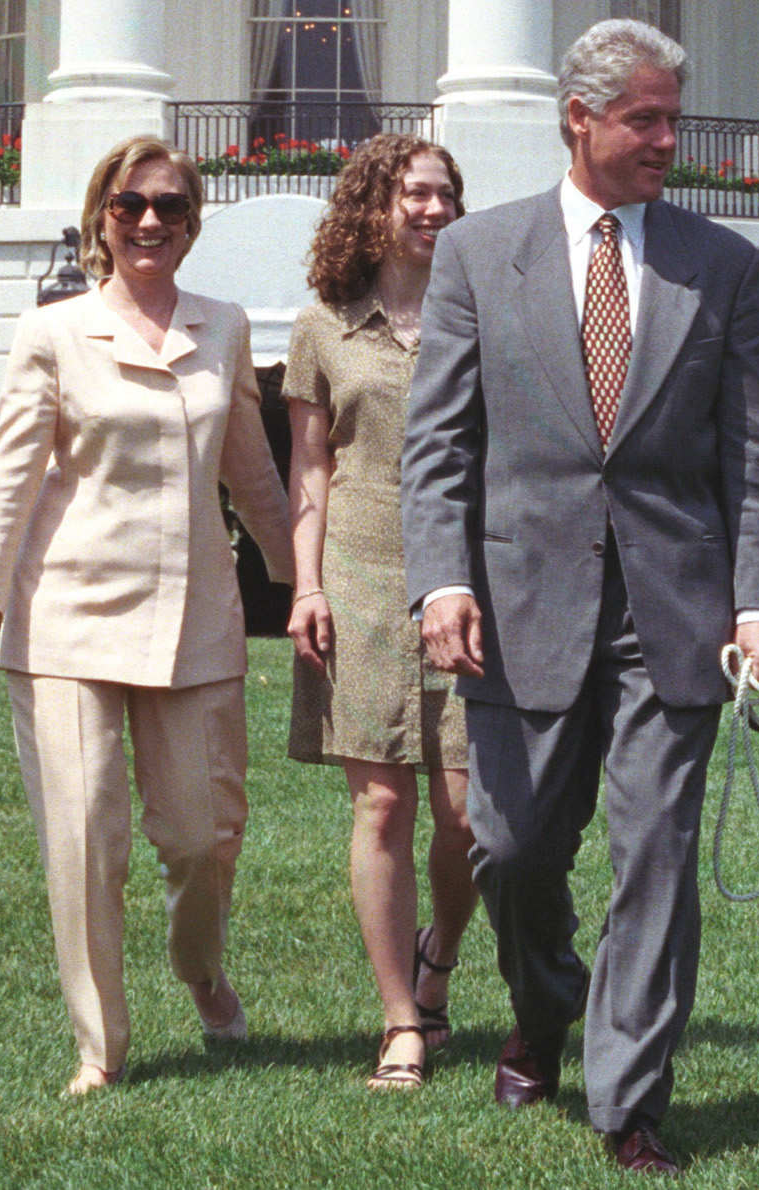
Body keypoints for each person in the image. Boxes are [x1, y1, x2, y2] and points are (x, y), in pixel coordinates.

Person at [400, 19, 759, 1174]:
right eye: (644, 119)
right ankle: (544, 1001)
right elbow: (438, 444)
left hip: (671, 613)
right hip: (517, 605)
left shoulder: (723, 264)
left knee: (656, 860)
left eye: (674, 118)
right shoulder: (478, 253)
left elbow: (753, 457)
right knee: (513, 849)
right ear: (577, 118)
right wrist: (441, 579)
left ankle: (626, 1102)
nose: (668, 140)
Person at [0, 135, 294, 1097]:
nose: (150, 222)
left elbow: (255, 477)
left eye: (172, 208)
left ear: (192, 225)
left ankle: (203, 973)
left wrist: (304, 586)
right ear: (103, 216)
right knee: (84, 838)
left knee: (203, 834)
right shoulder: (52, 331)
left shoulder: (223, 329)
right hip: (65, 615)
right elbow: (11, 480)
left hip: (196, 621)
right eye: (132, 204)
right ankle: (99, 1048)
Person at [284, 133, 479, 1093]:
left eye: (446, 193)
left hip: (463, 582)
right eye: (414, 192)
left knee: (468, 812)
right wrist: (306, 585)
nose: (434, 208)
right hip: (357, 579)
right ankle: (401, 1017)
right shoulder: (322, 324)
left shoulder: (482, 313)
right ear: (372, 204)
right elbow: (310, 469)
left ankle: (438, 961)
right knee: (381, 801)